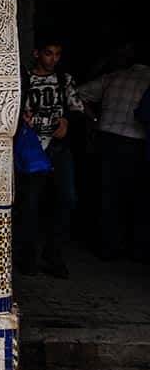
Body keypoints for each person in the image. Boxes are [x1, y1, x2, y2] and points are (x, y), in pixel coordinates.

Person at [14, 37, 85, 278]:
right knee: (30, 204)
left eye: (56, 54)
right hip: (33, 147)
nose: (52, 59)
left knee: (67, 199)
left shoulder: (63, 80)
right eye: (48, 53)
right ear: (36, 53)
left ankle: (53, 253)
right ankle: (28, 256)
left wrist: (66, 121)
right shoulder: (25, 80)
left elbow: (77, 109)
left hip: (58, 147)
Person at [77, 41, 150, 262]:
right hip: (137, 143)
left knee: (108, 194)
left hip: (107, 139)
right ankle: (137, 250)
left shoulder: (114, 77)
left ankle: (106, 247)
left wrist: (94, 118)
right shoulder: (148, 80)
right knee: (136, 197)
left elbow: (76, 93)